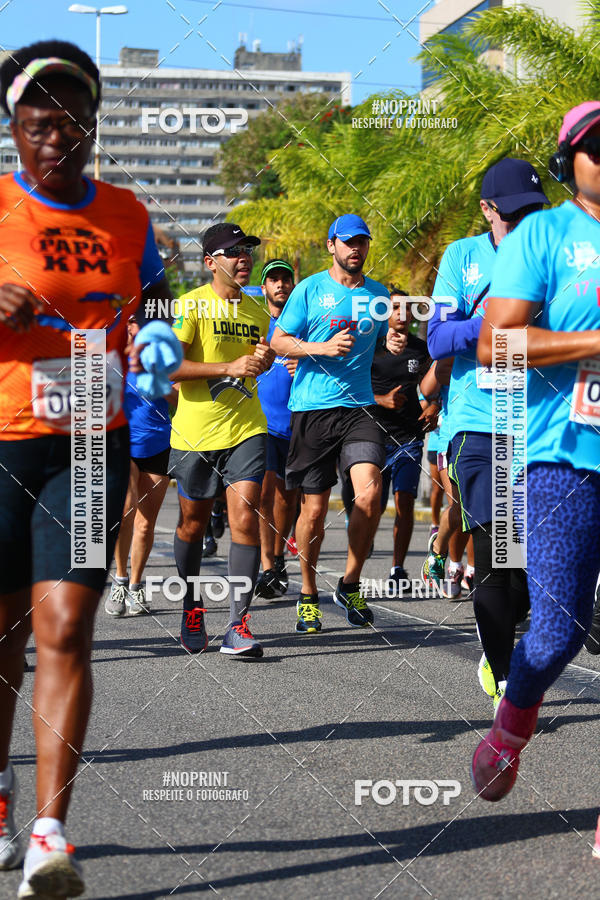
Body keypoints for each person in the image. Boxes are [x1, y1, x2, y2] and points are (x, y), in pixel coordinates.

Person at [0, 41, 171, 897]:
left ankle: (49, 836)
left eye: (72, 126)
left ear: (93, 128)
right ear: (14, 128)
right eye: (39, 125)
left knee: (64, 626)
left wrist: (157, 340)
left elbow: (161, 300)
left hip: (86, 441)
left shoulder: (129, 214)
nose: (56, 141)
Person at [472, 103, 600, 801]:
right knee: (557, 634)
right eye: (598, 146)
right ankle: (509, 729)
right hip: (566, 459)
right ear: (567, 161)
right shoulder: (544, 234)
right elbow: (497, 343)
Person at [425, 158, 547, 708]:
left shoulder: (552, 258)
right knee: (498, 552)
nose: (522, 225)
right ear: (487, 211)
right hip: (478, 424)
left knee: (530, 565)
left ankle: (505, 636)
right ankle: (504, 680)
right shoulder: (462, 257)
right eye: (512, 215)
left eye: (533, 214)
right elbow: (439, 338)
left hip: (544, 424)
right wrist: (498, 319)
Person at [271, 213, 404, 634]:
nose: (355, 249)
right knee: (312, 510)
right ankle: (308, 594)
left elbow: (385, 338)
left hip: (359, 409)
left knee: (369, 495)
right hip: (312, 410)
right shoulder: (310, 289)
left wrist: (394, 341)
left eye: (361, 242)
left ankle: (349, 582)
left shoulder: (378, 294)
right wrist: (319, 349)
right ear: (331, 246)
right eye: (347, 242)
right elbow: (278, 341)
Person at [169, 222, 273, 656]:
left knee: (245, 517)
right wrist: (228, 368)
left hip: (247, 428)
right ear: (211, 262)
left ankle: (238, 624)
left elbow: (256, 364)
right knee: (193, 523)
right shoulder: (189, 305)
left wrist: (261, 362)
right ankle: (192, 607)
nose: (244, 257)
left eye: (247, 250)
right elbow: (169, 368)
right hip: (195, 432)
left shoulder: (257, 312)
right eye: (233, 251)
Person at [370, 292, 441, 587]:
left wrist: (435, 406)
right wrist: (381, 400)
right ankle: (361, 538)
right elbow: (349, 387)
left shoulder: (421, 350)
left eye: (407, 308)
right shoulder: (370, 346)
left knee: (405, 503)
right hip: (372, 436)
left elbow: (435, 385)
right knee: (370, 504)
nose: (401, 313)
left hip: (408, 437)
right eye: (394, 307)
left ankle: (397, 568)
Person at [105, 317, 174, 617]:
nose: (134, 328)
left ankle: (135, 585)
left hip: (159, 442)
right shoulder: (110, 353)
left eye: (139, 322)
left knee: (146, 522)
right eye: (130, 322)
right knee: (125, 511)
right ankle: (119, 579)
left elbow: (179, 396)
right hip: (123, 442)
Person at [255, 259, 299, 600]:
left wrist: (307, 362)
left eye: (286, 279)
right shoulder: (256, 323)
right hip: (262, 423)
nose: (281, 284)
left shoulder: (303, 324)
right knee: (264, 494)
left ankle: (280, 553)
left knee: (288, 498)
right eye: (274, 279)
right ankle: (267, 564)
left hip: (297, 422)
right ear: (265, 286)